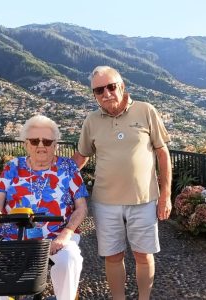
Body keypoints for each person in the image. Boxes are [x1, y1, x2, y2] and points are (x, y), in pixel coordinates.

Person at [73, 66, 172, 300]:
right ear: (94, 95)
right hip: (106, 202)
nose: (106, 93)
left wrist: (166, 196)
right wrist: (54, 177)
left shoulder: (146, 110)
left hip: (144, 199)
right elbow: (82, 156)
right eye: (99, 90)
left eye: (111, 86)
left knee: (143, 255)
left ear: (122, 86)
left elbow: (163, 153)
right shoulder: (92, 120)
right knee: (113, 257)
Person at [0, 115, 89, 300]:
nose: (41, 145)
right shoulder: (13, 166)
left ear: (55, 144)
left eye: (47, 141)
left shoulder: (68, 167)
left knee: (69, 261)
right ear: (26, 144)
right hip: (12, 235)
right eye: (34, 140)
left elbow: (81, 208)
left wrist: (67, 233)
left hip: (56, 235)